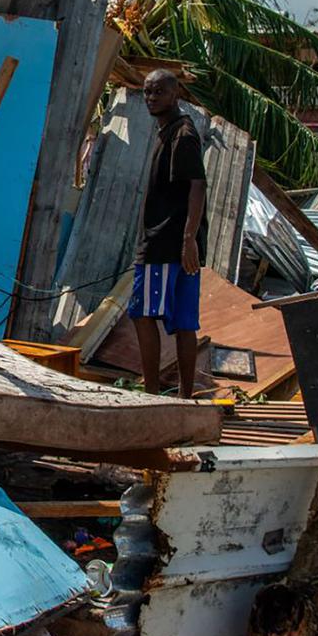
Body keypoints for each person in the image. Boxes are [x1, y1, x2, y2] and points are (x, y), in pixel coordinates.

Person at [128, 69, 207, 398]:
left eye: (158, 92)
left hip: (165, 242)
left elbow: (197, 186)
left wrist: (188, 239)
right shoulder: (172, 131)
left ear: (175, 94)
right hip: (179, 244)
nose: (151, 98)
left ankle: (151, 395)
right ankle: (184, 398)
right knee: (184, 322)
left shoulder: (181, 134)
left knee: (142, 314)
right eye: (147, 92)